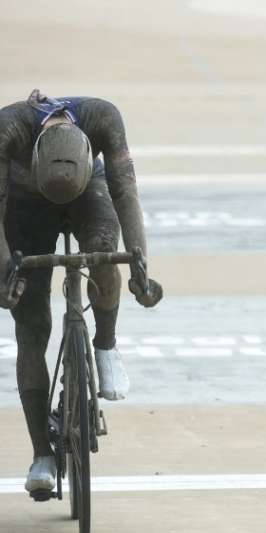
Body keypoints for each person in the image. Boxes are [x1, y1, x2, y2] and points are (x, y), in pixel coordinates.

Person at [0, 90, 163, 495]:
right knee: (31, 326)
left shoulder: (104, 117)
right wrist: (6, 270)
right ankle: (41, 454)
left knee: (106, 252)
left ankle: (106, 344)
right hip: (24, 201)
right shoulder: (7, 130)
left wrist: (140, 266)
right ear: (34, 156)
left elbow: (126, 193)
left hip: (91, 191)